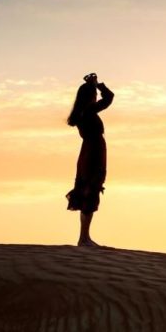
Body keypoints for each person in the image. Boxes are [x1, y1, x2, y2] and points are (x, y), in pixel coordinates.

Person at [65, 72, 114, 246]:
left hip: (88, 152)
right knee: (90, 190)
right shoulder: (88, 111)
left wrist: (94, 85)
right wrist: (99, 85)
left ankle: (84, 237)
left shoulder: (80, 114)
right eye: (93, 95)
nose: (95, 97)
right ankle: (84, 238)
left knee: (87, 190)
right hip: (94, 152)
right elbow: (109, 98)